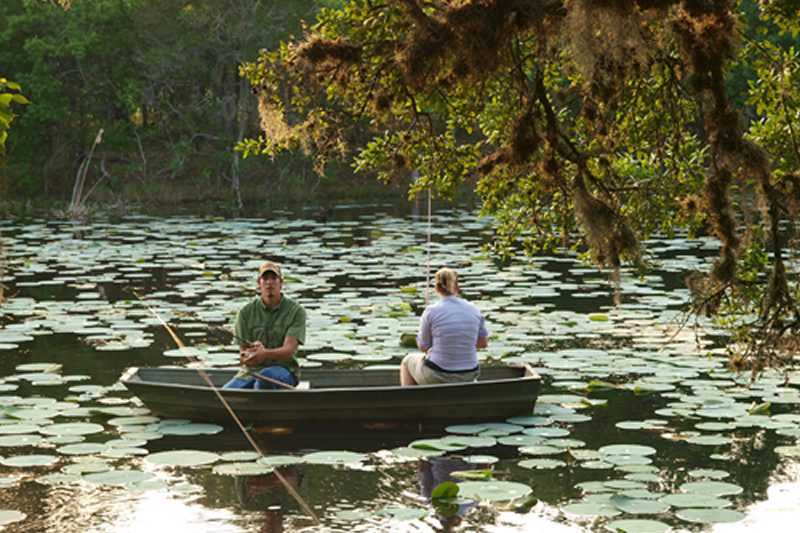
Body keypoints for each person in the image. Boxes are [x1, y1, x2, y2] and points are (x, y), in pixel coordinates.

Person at [223, 260, 306, 389]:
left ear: (281, 283)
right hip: (249, 372)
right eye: (265, 279)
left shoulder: (296, 311)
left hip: (284, 371)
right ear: (259, 283)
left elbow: (289, 350)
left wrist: (265, 353)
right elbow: (243, 354)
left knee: (264, 380)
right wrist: (250, 354)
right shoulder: (245, 312)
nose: (269, 283)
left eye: (274, 278)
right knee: (225, 395)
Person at [400, 267, 488, 386]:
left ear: (436, 288)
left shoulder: (431, 311)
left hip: (438, 374)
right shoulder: (474, 309)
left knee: (407, 361)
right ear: (458, 286)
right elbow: (483, 343)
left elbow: (423, 347)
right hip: (470, 374)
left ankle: (410, 402)